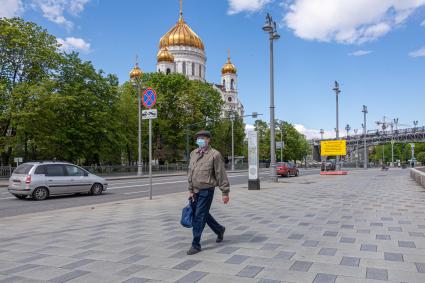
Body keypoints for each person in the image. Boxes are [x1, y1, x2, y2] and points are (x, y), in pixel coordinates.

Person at [186, 130, 230, 255]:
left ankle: (196, 244)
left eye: (203, 138)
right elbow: (190, 173)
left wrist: (225, 192)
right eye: (198, 138)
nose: (200, 140)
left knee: (199, 216)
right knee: (201, 214)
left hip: (207, 190)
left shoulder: (214, 154)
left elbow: (220, 174)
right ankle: (219, 229)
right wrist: (190, 190)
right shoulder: (193, 153)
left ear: (208, 140)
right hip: (194, 190)